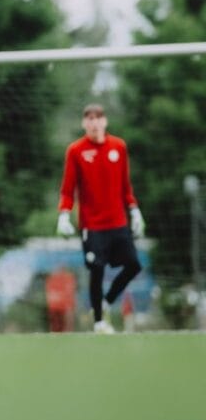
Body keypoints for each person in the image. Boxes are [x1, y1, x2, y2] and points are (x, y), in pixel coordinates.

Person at [56, 103, 144, 334]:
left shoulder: (118, 147)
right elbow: (68, 189)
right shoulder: (76, 150)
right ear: (84, 123)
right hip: (92, 226)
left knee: (134, 265)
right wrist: (64, 215)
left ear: (105, 121)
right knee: (97, 269)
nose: (94, 122)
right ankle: (99, 322)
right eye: (89, 118)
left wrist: (134, 210)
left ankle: (106, 302)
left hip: (118, 222)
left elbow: (126, 186)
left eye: (98, 118)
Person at [44, 265, 77, 333]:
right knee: (55, 323)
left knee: (68, 316)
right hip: (55, 305)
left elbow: (70, 291)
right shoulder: (51, 279)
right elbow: (50, 293)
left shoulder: (69, 278)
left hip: (66, 305)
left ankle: (68, 333)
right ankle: (54, 333)